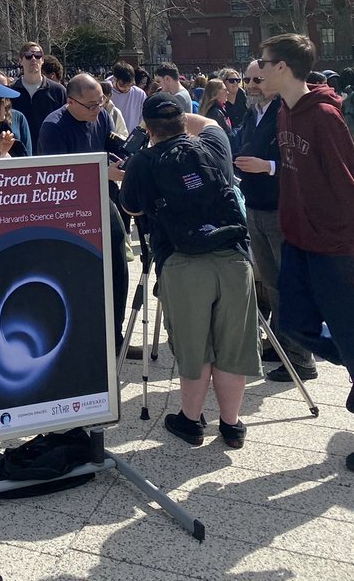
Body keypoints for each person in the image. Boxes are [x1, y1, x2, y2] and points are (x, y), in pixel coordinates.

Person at [119, 95, 260, 449]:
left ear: (149, 128)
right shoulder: (215, 145)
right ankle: (232, 425)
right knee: (233, 345)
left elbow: (132, 207)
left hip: (182, 260)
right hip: (232, 255)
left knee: (194, 348)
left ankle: (191, 420)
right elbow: (208, 124)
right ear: (184, 120)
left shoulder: (142, 161)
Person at [257, 34, 354, 471]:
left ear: (282, 68)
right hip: (297, 238)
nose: (257, 69)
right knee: (293, 323)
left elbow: (346, 184)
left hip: (335, 245)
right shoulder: (283, 112)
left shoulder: (326, 117)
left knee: (350, 334)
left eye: (263, 61)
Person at [233, 59, 316, 382]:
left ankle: (300, 358)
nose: (251, 84)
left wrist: (266, 166)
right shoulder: (251, 110)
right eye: (247, 79)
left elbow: (299, 163)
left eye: (257, 79)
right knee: (268, 282)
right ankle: (281, 344)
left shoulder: (286, 112)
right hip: (254, 205)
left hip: (280, 208)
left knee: (287, 284)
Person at [38, 74, 130, 353]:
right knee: (76, 272)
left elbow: (112, 144)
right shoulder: (53, 127)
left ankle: (114, 333)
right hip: (69, 211)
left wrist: (130, 155)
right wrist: (104, 172)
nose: (97, 110)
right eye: (90, 105)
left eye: (101, 102)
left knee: (118, 264)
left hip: (103, 199)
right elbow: (59, 176)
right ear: (70, 102)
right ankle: (74, 335)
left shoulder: (101, 116)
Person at [9, 42, 66, 151]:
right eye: (28, 56)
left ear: (42, 60)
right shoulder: (10, 92)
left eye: (38, 55)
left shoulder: (58, 91)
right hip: (20, 154)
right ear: (20, 61)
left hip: (51, 152)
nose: (33, 59)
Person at [107, 62, 147, 132]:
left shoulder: (139, 94)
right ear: (115, 79)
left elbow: (144, 118)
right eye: (122, 85)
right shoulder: (105, 91)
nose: (127, 88)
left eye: (130, 85)